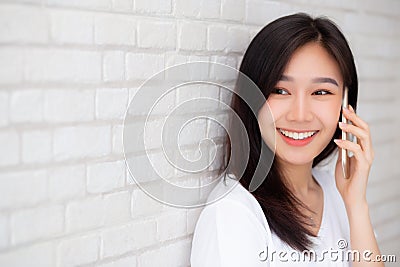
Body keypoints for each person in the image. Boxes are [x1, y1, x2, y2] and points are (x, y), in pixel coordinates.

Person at [190, 13, 383, 266]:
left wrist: (356, 204)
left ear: (346, 105)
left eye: (321, 92)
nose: (300, 115)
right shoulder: (233, 214)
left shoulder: (340, 194)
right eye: (280, 90)